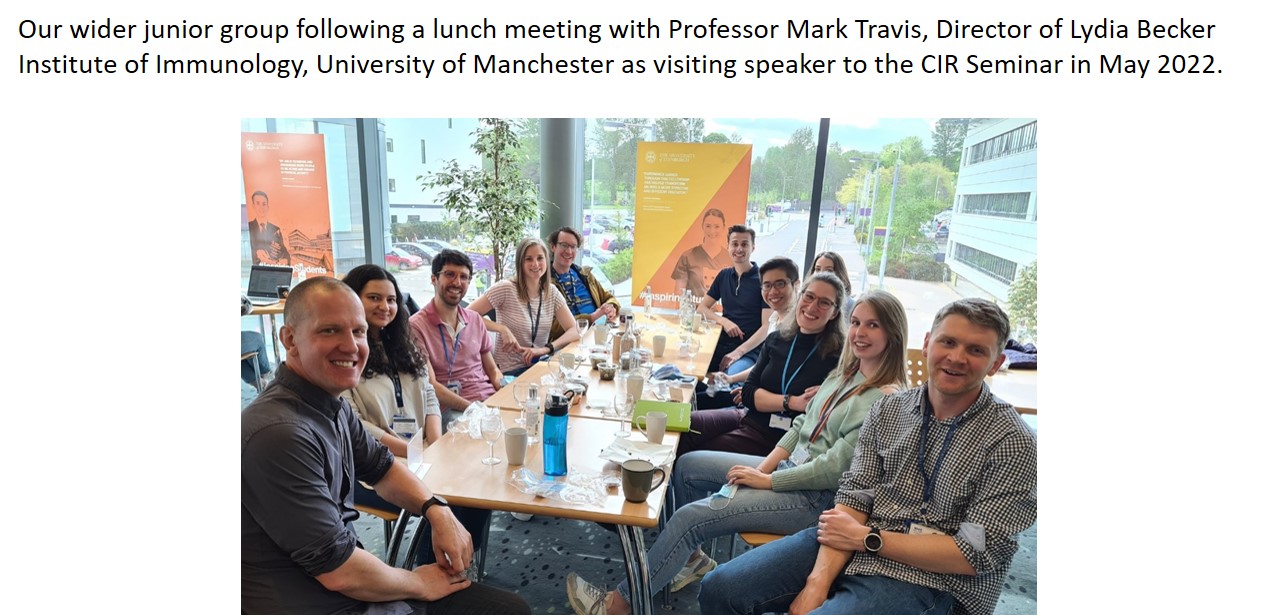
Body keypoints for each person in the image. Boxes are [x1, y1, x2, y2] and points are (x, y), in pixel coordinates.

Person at [566, 290, 910, 615]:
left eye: (872, 325)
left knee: (690, 519)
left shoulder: (884, 399)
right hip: (787, 471)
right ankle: (690, 559)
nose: (859, 333)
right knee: (685, 465)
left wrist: (768, 480)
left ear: (892, 335)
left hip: (814, 498)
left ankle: (620, 603)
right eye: (856, 322)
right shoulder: (846, 373)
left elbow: (832, 469)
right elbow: (802, 426)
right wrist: (765, 468)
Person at [699, 299, 1037, 615]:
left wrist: (866, 539)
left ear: (996, 363)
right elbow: (855, 495)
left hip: (937, 581)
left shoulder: (1013, 442)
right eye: (948, 342)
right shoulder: (888, 410)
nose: (957, 357)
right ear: (928, 342)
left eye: (975, 350)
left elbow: (974, 552)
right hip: (854, 541)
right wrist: (817, 582)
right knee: (720, 588)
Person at [241, 277, 529, 615]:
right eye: (330, 331)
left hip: (341, 585)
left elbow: (382, 468)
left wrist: (437, 510)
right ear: (290, 339)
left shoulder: (328, 404)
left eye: (358, 332)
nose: (351, 347)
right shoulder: (280, 433)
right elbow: (339, 572)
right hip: (320, 601)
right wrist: (418, 583)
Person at [341, 264, 493, 567]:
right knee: (445, 491)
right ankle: (433, 570)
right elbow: (354, 423)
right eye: (374, 298)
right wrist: (414, 451)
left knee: (478, 479)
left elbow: (428, 395)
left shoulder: (403, 343)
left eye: (391, 299)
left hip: (421, 450)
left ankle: (463, 560)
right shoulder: (345, 351)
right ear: (353, 299)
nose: (385, 307)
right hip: (372, 465)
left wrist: (436, 443)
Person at [677, 273, 846, 458]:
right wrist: (792, 402)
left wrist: (766, 399)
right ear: (800, 296)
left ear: (835, 313)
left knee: (692, 454)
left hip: (777, 440)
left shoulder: (838, 359)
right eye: (809, 296)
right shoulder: (777, 339)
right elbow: (748, 392)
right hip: (748, 416)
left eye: (824, 303)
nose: (812, 306)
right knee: (682, 424)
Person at [408, 250, 504, 416]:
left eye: (464, 277)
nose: (457, 282)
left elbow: (492, 370)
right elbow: (430, 385)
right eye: (450, 274)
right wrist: (474, 409)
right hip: (452, 410)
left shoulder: (475, 319)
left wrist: (504, 391)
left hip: (488, 402)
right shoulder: (416, 326)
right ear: (434, 279)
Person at [469, 237, 580, 376]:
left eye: (540, 258)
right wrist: (502, 329)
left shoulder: (551, 292)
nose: (535, 264)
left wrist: (546, 349)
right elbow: (466, 314)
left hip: (539, 367)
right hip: (508, 372)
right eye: (528, 259)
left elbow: (575, 329)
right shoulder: (506, 288)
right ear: (520, 263)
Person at [699, 256, 799, 409]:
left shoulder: (795, 328)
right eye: (767, 285)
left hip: (759, 406)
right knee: (691, 390)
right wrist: (731, 379)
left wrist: (750, 392)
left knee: (694, 409)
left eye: (780, 284)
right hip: (750, 394)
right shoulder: (774, 319)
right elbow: (764, 366)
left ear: (796, 285)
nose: (773, 291)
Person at [697, 224, 770, 376]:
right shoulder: (724, 275)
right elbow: (701, 309)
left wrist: (738, 352)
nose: (739, 249)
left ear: (753, 247)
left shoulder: (763, 280)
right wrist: (725, 322)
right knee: (691, 368)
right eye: (735, 244)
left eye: (745, 244)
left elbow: (767, 327)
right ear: (728, 247)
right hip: (722, 342)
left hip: (749, 349)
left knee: (729, 379)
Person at [547, 226, 621, 341]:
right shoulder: (545, 283)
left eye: (573, 247)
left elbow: (609, 298)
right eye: (564, 245)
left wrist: (611, 307)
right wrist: (590, 318)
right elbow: (550, 327)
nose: (569, 251)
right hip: (568, 341)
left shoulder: (585, 275)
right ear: (553, 246)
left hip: (597, 333)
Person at [672, 208, 728, 300]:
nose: (712, 231)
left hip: (721, 314)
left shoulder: (731, 259)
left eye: (717, 226)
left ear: (723, 227)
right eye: (708, 226)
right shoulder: (687, 257)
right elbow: (679, 294)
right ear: (702, 226)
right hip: (693, 312)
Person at [247, 190, 290, 266]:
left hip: (275, 272)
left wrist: (285, 260)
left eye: (264, 204)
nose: (261, 207)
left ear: (268, 207)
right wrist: (256, 254)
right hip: (257, 273)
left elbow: (284, 252)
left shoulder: (276, 229)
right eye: (258, 203)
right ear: (253, 205)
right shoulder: (248, 227)